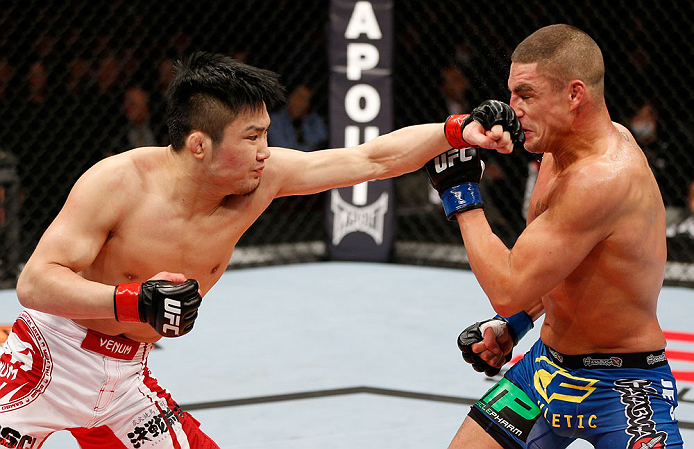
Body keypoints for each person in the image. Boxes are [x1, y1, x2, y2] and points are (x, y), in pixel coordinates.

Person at [1, 51, 464, 448]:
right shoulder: (118, 181)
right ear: (199, 144)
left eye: (265, 133)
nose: (266, 149)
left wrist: (458, 130)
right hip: (46, 361)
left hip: (125, 382)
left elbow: (372, 158)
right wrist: (133, 300)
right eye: (251, 137)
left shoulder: (266, 178)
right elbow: (35, 282)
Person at [424, 25, 683, 448]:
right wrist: (514, 325)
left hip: (622, 385)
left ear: (574, 94)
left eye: (526, 95)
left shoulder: (601, 177)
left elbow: (508, 287)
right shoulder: (555, 150)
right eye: (512, 95)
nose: (513, 109)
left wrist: (461, 195)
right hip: (546, 373)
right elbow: (556, 266)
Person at [267, 83, 328, 152]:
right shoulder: (275, 119)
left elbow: (322, 143)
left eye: (306, 100)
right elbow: (282, 147)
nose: (302, 102)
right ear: (290, 97)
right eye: (299, 97)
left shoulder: (314, 120)